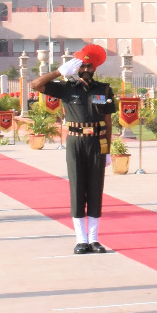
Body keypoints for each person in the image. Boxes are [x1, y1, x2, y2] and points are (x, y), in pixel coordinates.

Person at [32, 45, 116, 252]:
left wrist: (107, 149)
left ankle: (94, 239)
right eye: (82, 66)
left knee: (96, 189)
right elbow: (35, 84)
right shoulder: (66, 87)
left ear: (94, 68)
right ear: (76, 68)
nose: (86, 69)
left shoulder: (103, 89)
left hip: (97, 141)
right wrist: (59, 72)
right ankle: (81, 239)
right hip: (75, 141)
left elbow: (108, 121)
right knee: (77, 188)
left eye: (89, 66)